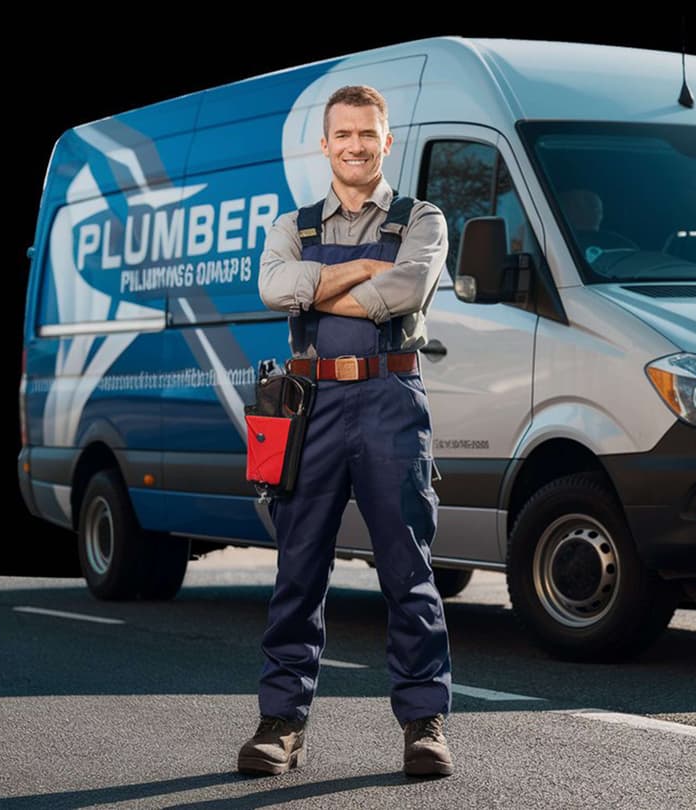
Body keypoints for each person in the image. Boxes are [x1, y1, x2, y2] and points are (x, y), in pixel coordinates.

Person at [238, 85, 453, 779]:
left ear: (386, 141)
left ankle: (425, 724)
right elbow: (272, 288)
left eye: (369, 133)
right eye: (344, 134)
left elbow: (404, 291)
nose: (357, 145)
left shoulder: (423, 218)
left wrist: (321, 283)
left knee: (409, 570)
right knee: (298, 568)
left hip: (391, 396)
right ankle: (281, 725)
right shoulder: (291, 226)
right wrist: (360, 267)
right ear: (324, 144)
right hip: (310, 403)